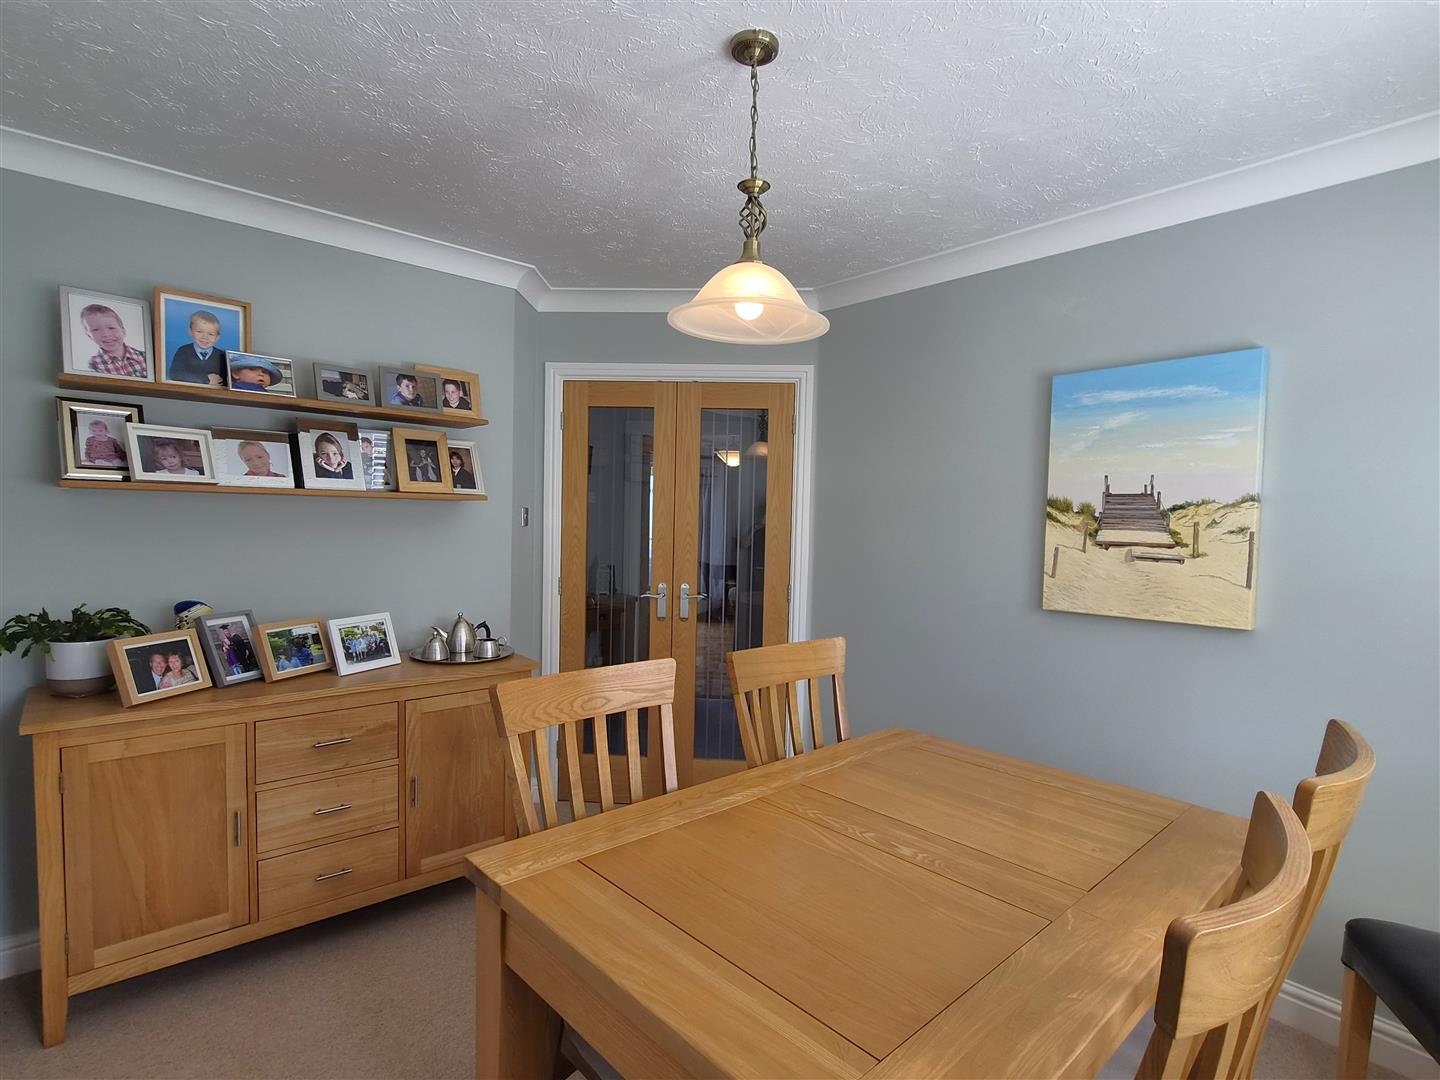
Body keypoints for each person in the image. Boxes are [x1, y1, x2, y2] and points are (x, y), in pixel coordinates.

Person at [80, 303, 149, 378]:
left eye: (111, 328)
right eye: (96, 330)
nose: (106, 334)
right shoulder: (94, 364)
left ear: (123, 331)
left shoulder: (144, 357)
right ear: (89, 336)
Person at [168, 310, 227, 386]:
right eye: (199, 332)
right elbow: (175, 374)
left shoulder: (221, 355)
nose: (204, 337)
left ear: (217, 337)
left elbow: (228, 380)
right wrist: (206, 379)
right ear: (190, 331)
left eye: (211, 334)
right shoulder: (183, 351)